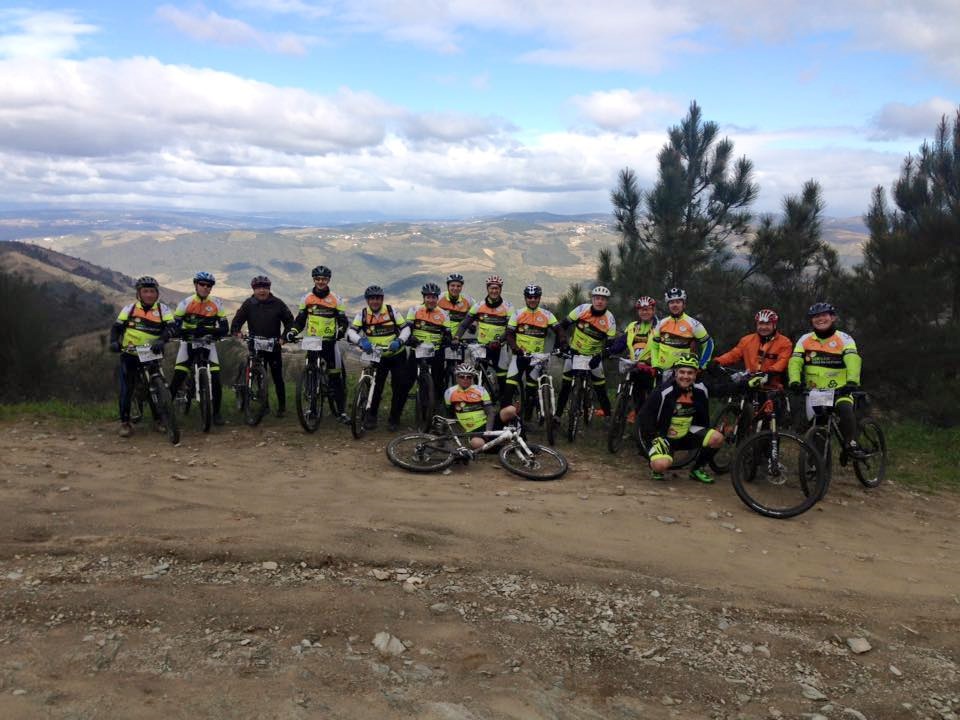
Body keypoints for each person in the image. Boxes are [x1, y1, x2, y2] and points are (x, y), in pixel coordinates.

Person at [788, 302, 865, 458]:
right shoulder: (805, 340)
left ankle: (851, 444)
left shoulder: (844, 338)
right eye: (816, 316)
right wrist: (794, 381)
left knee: (844, 409)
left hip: (840, 389)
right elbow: (795, 361)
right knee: (818, 428)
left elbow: (853, 360)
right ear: (811, 320)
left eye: (824, 315)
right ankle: (817, 466)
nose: (820, 319)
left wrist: (851, 382)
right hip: (815, 391)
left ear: (833, 318)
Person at [638, 354, 724, 484]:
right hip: (663, 436)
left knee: (717, 438)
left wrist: (747, 384)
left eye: (690, 373)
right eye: (682, 372)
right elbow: (644, 417)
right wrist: (653, 438)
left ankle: (697, 469)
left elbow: (724, 389)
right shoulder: (663, 391)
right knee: (661, 465)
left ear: (695, 375)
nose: (685, 376)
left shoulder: (700, 390)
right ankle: (657, 468)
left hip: (685, 434)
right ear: (675, 373)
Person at [108, 276, 175, 438]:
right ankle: (125, 422)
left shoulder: (162, 310)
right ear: (139, 293)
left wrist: (162, 339)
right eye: (145, 291)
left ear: (157, 293)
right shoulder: (129, 309)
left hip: (152, 352)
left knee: (155, 385)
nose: (149, 295)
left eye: (152, 291)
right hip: (130, 353)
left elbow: (172, 328)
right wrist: (113, 342)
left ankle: (159, 419)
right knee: (127, 388)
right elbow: (116, 328)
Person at [286, 265, 349, 422]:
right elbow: (300, 320)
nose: (321, 282)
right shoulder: (306, 299)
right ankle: (313, 410)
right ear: (314, 280)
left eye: (324, 279)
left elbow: (343, 320)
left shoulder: (336, 299)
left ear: (328, 280)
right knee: (311, 373)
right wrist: (293, 331)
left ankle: (341, 412)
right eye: (318, 279)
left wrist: (340, 331)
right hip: (312, 341)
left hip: (329, 342)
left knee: (335, 377)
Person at [346, 285, 411, 432]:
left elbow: (406, 328)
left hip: (396, 355)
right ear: (367, 300)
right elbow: (351, 331)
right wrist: (360, 341)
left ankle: (394, 418)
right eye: (372, 299)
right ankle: (371, 416)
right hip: (377, 356)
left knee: (399, 387)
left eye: (378, 298)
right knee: (376, 386)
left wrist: (399, 341)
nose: (375, 301)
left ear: (382, 299)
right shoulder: (362, 314)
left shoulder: (390, 311)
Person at [168, 271, 229, 425]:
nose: (205, 287)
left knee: (215, 378)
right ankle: (164, 414)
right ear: (196, 285)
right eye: (202, 284)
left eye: (209, 285)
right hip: (188, 342)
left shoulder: (216, 303)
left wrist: (208, 332)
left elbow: (224, 328)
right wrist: (188, 332)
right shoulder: (186, 303)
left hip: (208, 343)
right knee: (178, 376)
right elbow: (175, 326)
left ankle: (216, 413)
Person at [230, 275, 294, 417]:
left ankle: (282, 407)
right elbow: (237, 321)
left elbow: (290, 322)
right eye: (258, 288)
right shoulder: (249, 304)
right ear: (253, 289)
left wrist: (284, 337)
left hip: (273, 345)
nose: (262, 291)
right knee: (259, 376)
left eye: (265, 288)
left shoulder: (278, 303)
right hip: (255, 344)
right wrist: (236, 331)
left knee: (277, 377)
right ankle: (264, 406)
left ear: (269, 289)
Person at [556, 285, 617, 418]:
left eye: (603, 299)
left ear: (607, 301)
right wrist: (562, 345)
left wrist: (600, 357)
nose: (599, 301)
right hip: (575, 352)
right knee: (565, 386)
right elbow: (562, 325)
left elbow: (610, 345)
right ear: (592, 299)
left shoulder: (610, 319)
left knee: (600, 388)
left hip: (593, 356)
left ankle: (608, 417)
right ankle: (557, 417)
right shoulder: (582, 309)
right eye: (597, 298)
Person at [502, 284, 565, 409]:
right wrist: (515, 348)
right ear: (525, 298)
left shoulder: (547, 315)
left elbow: (559, 330)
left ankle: (527, 417)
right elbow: (509, 334)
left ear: (539, 298)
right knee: (509, 387)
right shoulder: (518, 314)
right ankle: (501, 421)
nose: (532, 300)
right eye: (530, 297)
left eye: (535, 297)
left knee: (530, 390)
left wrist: (563, 343)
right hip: (519, 356)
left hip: (536, 359)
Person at [453, 275, 514, 397]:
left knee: (502, 376)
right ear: (487, 289)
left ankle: (503, 403)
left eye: (497, 288)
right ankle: (480, 400)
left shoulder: (508, 307)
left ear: (500, 289)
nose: (494, 291)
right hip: (482, 346)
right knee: (477, 375)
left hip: (500, 346)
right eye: (492, 288)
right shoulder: (479, 306)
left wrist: (499, 341)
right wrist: (456, 337)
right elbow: (465, 324)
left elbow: (510, 330)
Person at [606, 295, 659, 422]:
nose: (644, 312)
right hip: (634, 367)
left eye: (647, 309)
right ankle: (636, 422)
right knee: (637, 396)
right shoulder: (632, 326)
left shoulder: (659, 327)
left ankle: (651, 424)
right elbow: (622, 342)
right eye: (641, 309)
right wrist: (609, 351)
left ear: (653, 310)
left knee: (653, 398)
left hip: (651, 368)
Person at [444, 363, 518, 450]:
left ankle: (517, 436)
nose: (465, 379)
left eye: (469, 377)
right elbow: (448, 414)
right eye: (461, 376)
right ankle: (505, 446)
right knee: (476, 443)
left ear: (472, 378)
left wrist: (488, 431)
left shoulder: (480, 390)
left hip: (488, 423)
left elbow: (490, 412)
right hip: (473, 430)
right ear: (456, 377)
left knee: (511, 410)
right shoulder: (449, 393)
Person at [712, 308, 792, 389]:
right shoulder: (746, 340)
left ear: (774, 325)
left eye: (767, 324)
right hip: (750, 384)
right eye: (761, 324)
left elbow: (783, 361)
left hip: (773, 387)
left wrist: (769, 373)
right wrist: (717, 361)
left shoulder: (785, 342)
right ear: (757, 324)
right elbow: (733, 355)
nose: (763, 327)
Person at [406, 282, 450, 409]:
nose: (431, 300)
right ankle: (398, 411)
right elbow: (408, 328)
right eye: (428, 297)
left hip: (435, 351)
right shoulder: (414, 310)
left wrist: (447, 339)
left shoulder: (443, 313)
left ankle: (436, 404)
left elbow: (447, 333)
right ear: (424, 298)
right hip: (417, 349)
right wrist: (410, 338)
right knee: (407, 380)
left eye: (434, 297)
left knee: (438, 380)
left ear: (437, 298)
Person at [651, 287, 714, 372]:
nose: (675, 305)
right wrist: (655, 365)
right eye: (671, 302)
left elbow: (709, 344)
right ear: (668, 305)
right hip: (662, 371)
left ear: (684, 304)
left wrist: (702, 365)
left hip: (683, 373)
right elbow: (654, 346)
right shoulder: (661, 323)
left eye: (678, 302)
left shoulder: (694, 324)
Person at [439, 273, 475, 339]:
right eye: (452, 285)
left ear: (461, 287)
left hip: (458, 338)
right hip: (439, 337)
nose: (455, 288)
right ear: (448, 286)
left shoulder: (468, 300)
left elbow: (478, 313)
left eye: (458, 286)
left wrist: (473, 325)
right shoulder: (439, 298)